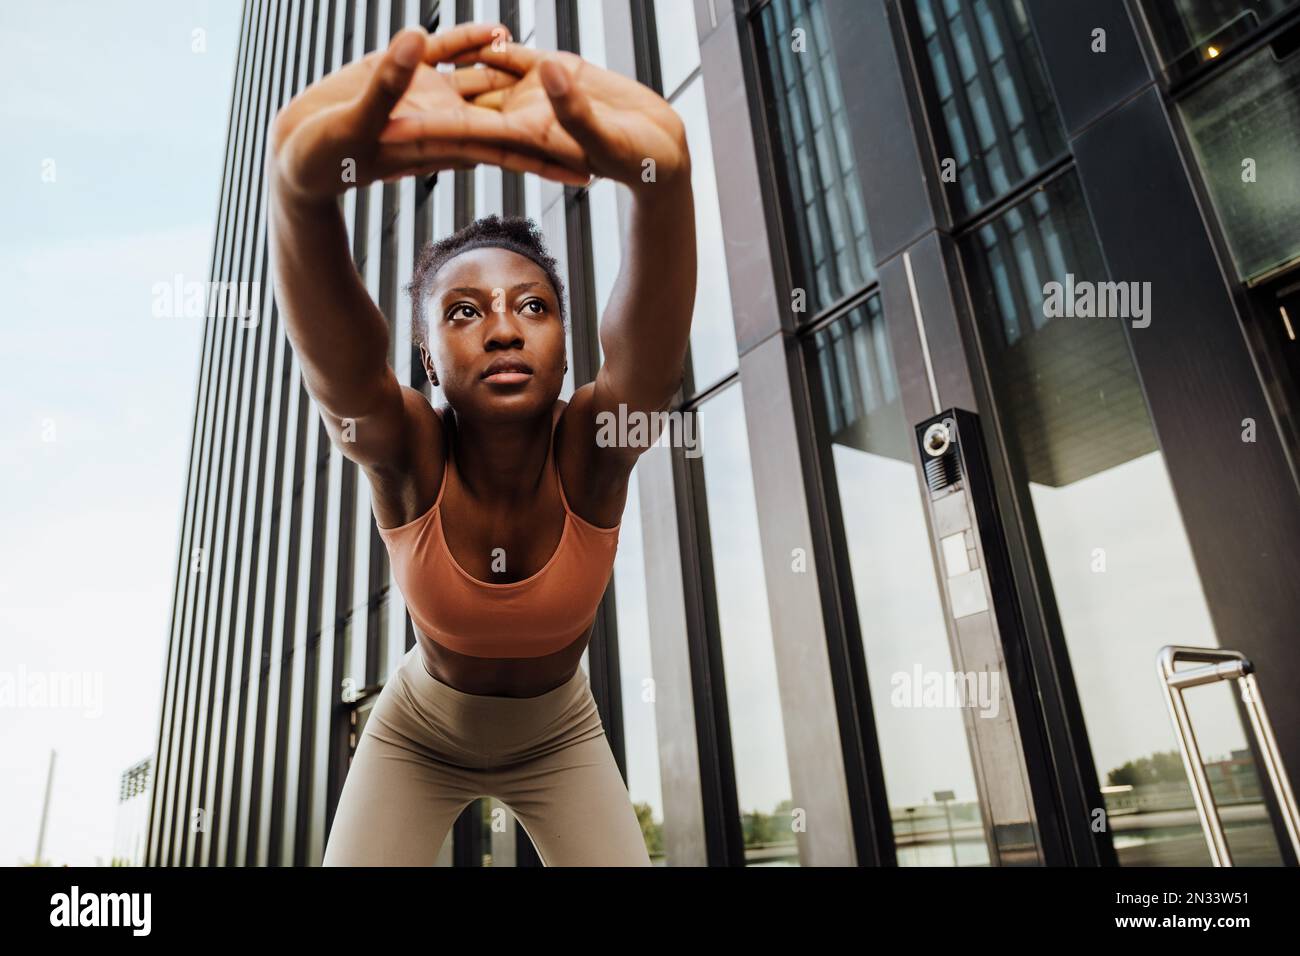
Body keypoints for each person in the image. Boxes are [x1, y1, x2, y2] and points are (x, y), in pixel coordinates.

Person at [266, 21, 696, 865]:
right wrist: (299, 194)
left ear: (568, 343)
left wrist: (664, 182)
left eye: (533, 307)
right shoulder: (408, 455)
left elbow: (647, 358)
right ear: (427, 355)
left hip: (559, 736)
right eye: (464, 312)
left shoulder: (595, 453)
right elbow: (342, 369)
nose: (503, 328)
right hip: (417, 733)